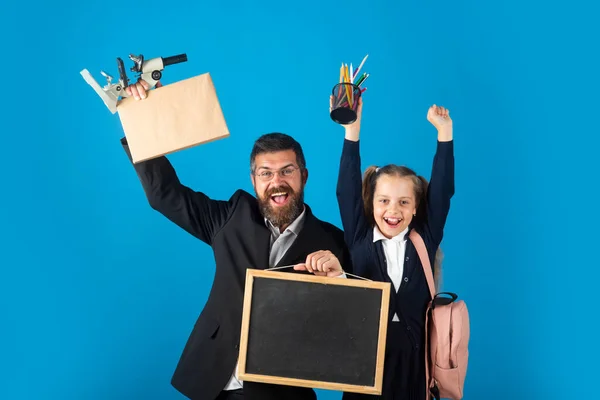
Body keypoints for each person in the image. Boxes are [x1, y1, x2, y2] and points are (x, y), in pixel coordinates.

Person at [121, 79, 353, 400]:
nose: (277, 182)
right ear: (253, 180)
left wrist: (339, 279)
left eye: (287, 171)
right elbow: (164, 195)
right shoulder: (231, 217)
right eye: (266, 173)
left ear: (304, 176)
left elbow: (353, 326)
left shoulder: (333, 242)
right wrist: (140, 117)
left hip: (281, 391)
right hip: (215, 381)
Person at [333, 95, 455, 400]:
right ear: (371, 203)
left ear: (416, 209)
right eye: (384, 200)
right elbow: (345, 188)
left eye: (404, 202)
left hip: (414, 363)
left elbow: (442, 190)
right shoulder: (359, 238)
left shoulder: (424, 239)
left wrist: (444, 135)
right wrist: (352, 131)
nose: (393, 210)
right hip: (364, 361)